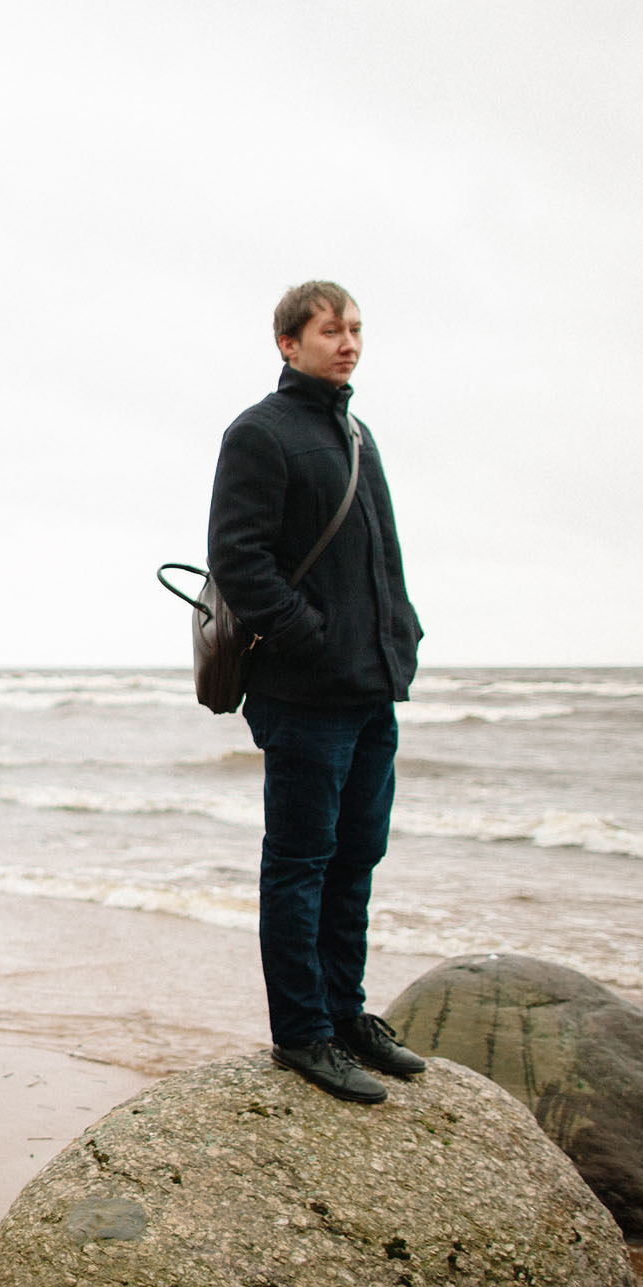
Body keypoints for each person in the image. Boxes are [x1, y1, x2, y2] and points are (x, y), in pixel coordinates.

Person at [205, 281, 427, 1104]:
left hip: (371, 689)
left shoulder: (357, 434)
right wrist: (314, 637)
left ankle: (345, 1014)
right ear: (289, 343)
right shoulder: (259, 433)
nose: (349, 343)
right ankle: (302, 1033)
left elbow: (382, 558)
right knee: (300, 864)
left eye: (356, 329)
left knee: (357, 858)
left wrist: (402, 633)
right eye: (331, 330)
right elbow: (238, 559)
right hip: (302, 695)